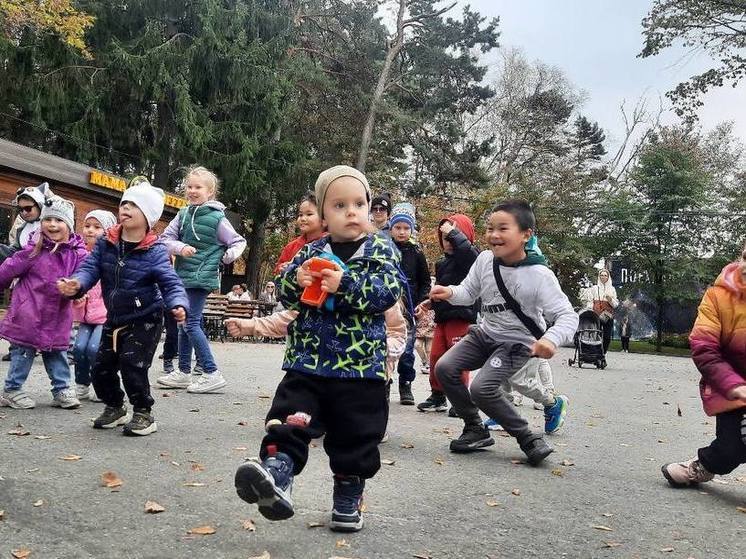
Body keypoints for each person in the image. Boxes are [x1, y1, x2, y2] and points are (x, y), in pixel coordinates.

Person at [233, 165, 402, 532]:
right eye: (340, 205)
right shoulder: (309, 252)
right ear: (324, 214)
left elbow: (387, 292)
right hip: (306, 361)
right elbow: (286, 294)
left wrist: (346, 282)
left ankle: (348, 494)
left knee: (354, 436)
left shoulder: (381, 250)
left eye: (360, 203)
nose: (352, 211)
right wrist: (297, 279)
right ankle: (277, 473)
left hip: (359, 368)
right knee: (290, 417)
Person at [430, 199, 577, 465]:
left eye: (503, 228)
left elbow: (567, 315)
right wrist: (449, 292)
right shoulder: (486, 260)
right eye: (490, 228)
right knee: (445, 368)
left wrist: (551, 339)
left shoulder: (539, 275)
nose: (494, 235)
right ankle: (475, 429)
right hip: (484, 334)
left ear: (525, 235)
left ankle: (528, 438)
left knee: (482, 389)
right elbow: (469, 292)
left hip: (516, 343)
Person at [58, 179, 188, 436]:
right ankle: (115, 406)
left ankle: (143, 412)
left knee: (133, 366)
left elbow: (170, 281)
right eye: (124, 203)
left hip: (145, 319)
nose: (125, 208)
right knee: (100, 367)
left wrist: (177, 303)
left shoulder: (155, 249)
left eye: (134, 205)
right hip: (114, 318)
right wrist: (77, 284)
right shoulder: (107, 242)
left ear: (148, 216)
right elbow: (89, 269)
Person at [661, 243, 746, 487]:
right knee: (733, 446)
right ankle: (704, 465)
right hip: (732, 386)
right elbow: (704, 346)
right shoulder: (718, 297)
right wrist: (735, 386)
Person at [157, 166, 246, 394]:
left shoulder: (217, 218)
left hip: (202, 276)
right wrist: (181, 247)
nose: (192, 191)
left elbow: (238, 241)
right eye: (189, 186)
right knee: (183, 323)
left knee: (190, 323)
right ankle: (184, 372)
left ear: (210, 191)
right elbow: (165, 239)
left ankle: (211, 371)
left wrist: (228, 257)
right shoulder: (183, 214)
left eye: (198, 187)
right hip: (183, 275)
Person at [0, 196, 87, 409]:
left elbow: (84, 276)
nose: (52, 225)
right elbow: (8, 269)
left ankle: (62, 389)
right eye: (48, 220)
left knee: (57, 352)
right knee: (22, 352)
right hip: (28, 313)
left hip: (58, 315)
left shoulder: (77, 254)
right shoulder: (33, 250)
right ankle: (11, 389)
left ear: (69, 225)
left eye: (59, 221)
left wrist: (76, 288)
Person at [417, 214, 479, 414]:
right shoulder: (442, 263)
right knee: (436, 358)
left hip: (461, 317)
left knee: (457, 360)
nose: (448, 241)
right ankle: (438, 396)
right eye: (444, 237)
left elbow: (468, 253)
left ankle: (460, 401)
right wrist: (429, 302)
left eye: (452, 237)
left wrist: (453, 233)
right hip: (443, 318)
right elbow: (442, 291)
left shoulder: (471, 259)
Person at [72, 210, 117, 401]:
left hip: (105, 314)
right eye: (87, 226)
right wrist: (76, 294)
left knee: (94, 349)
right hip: (85, 314)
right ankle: (82, 383)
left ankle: (102, 384)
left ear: (107, 231)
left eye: (97, 227)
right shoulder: (78, 254)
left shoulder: (111, 255)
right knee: (79, 347)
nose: (90, 230)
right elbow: (74, 279)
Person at [389, 202, 430, 405]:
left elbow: (425, 282)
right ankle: (384, 384)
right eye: (398, 227)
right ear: (391, 228)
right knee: (385, 348)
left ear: (411, 229)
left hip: (409, 310)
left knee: (407, 351)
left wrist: (422, 303)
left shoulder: (417, 253)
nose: (402, 232)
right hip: (387, 307)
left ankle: (406, 384)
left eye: (406, 228)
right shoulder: (384, 250)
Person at [274, 193, 325, 274]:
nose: (303, 218)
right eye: (300, 215)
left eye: (309, 214)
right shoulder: (291, 247)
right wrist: (282, 267)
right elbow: (278, 270)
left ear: (324, 218)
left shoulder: (331, 243)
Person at [581, 268, 618, 353]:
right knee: (594, 335)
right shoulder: (594, 288)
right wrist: (589, 311)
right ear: (599, 276)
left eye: (605, 275)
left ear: (608, 277)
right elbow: (590, 302)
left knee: (607, 337)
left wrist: (610, 300)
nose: (603, 277)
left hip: (608, 316)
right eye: (601, 275)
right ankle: (594, 353)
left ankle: (602, 354)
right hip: (596, 315)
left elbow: (615, 305)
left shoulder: (612, 289)